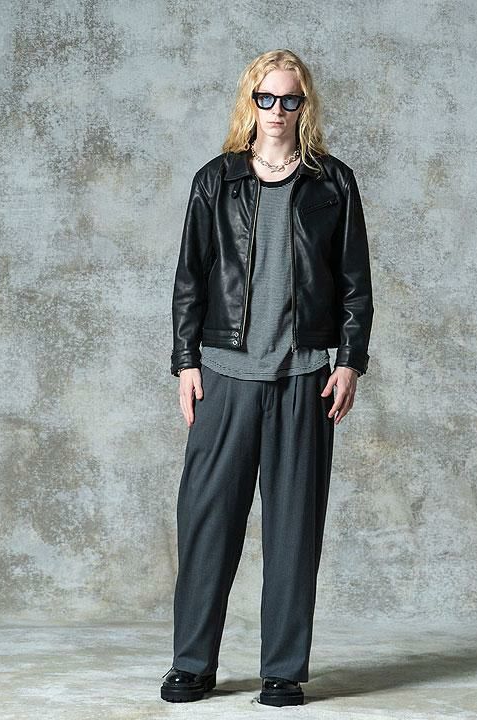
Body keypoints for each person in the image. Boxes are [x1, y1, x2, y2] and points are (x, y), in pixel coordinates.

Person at [160, 49, 373, 707]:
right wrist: (186, 362)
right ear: (249, 101)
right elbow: (190, 279)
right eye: (266, 98)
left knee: (293, 532)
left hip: (304, 378)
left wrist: (350, 361)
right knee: (206, 525)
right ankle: (192, 664)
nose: (278, 111)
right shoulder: (215, 181)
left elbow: (356, 284)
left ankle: (283, 671)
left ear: (305, 106)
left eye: (290, 100)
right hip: (224, 375)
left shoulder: (333, 183)